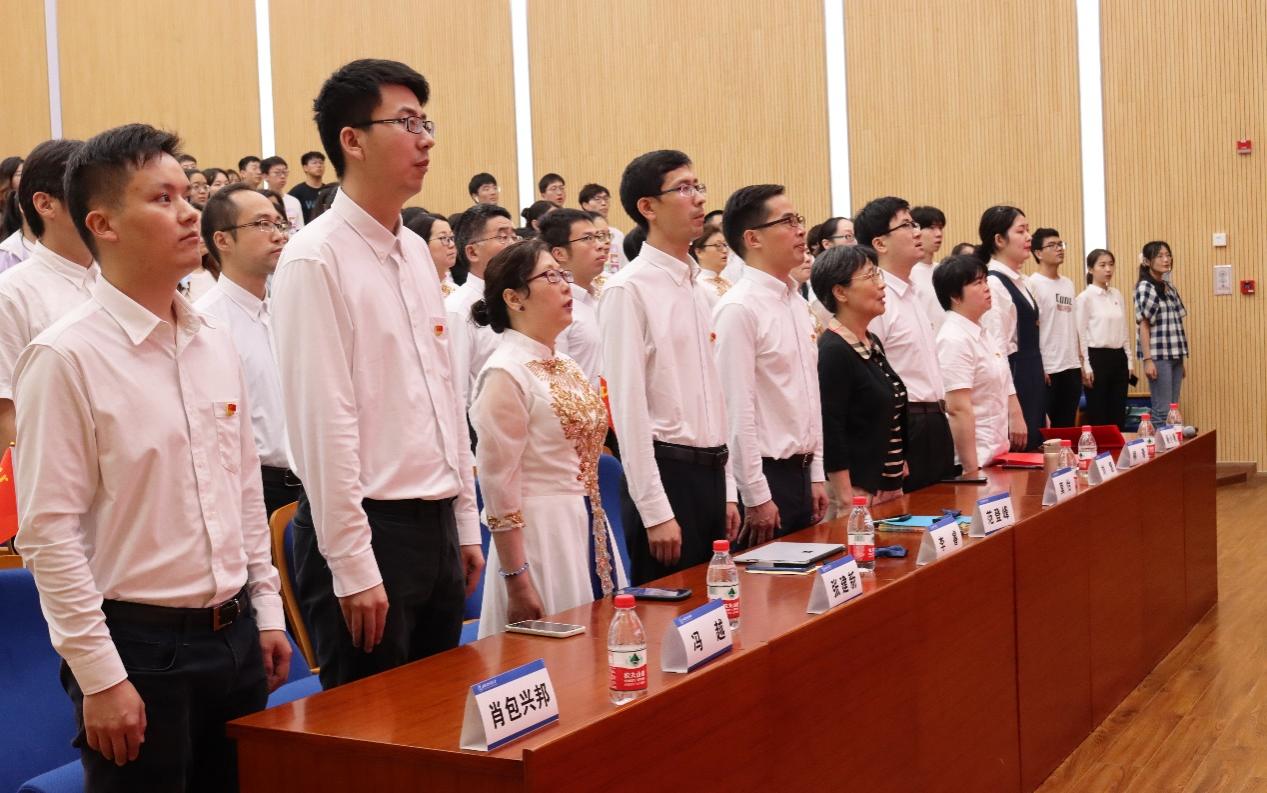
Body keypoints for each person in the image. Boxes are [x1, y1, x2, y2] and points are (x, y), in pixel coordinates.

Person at [14, 122, 288, 792]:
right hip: (138, 645)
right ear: (103, 224)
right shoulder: (65, 356)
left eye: (187, 195)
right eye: (162, 199)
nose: (190, 212)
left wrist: (265, 608)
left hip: (234, 633)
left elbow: (242, 488)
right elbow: (47, 534)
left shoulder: (211, 338)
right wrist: (100, 677)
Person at [270, 59, 484, 689]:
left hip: (435, 525)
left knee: (442, 718)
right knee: (376, 732)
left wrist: (463, 523)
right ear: (352, 140)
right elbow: (323, 422)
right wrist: (352, 564)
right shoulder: (315, 258)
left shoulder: (414, 251)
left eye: (426, 123)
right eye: (407, 123)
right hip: (368, 531)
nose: (426, 140)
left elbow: (443, 396)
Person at [470, 240, 626, 636]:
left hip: (588, 520)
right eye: (550, 276)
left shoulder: (565, 363)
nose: (565, 286)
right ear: (514, 298)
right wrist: (517, 579)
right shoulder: (505, 373)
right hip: (542, 535)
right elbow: (498, 486)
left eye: (563, 275)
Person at [600, 149, 739, 585]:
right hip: (666, 475)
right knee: (669, 614)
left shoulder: (701, 289)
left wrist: (728, 489)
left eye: (698, 186)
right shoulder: (628, 290)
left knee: (718, 608)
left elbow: (716, 397)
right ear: (648, 207)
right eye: (683, 189)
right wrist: (654, 510)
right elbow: (627, 408)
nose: (698, 199)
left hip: (711, 473)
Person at [715, 185, 827, 542]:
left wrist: (817, 473)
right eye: (788, 221)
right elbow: (736, 409)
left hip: (802, 471)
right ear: (753, 238)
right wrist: (755, 493)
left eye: (799, 219)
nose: (800, 230)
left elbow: (810, 395)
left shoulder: (797, 303)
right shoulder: (739, 308)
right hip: (766, 475)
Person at [195, 183, 299, 519]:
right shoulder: (204, 323)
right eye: (262, 224)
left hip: (307, 480)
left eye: (279, 223)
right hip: (252, 487)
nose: (279, 235)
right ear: (223, 240)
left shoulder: (287, 309)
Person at [853, 196, 957, 491]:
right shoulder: (877, 298)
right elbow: (873, 382)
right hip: (906, 425)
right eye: (907, 225)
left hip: (936, 420)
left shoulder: (913, 292)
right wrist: (891, 448)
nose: (917, 231)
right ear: (880, 243)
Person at [0, 139, 98, 450]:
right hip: (56, 460)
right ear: (45, 204)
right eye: (90, 193)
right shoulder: (11, 293)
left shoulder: (119, 278)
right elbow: (6, 410)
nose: (105, 206)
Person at [813, 244, 908, 504]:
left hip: (888, 484)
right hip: (858, 493)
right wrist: (846, 497)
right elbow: (831, 428)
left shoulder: (871, 341)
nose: (881, 284)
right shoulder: (833, 350)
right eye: (870, 276)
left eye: (878, 274)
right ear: (840, 292)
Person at [934, 255, 1017, 473]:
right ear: (955, 296)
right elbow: (957, 408)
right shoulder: (953, 338)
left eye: (985, 280)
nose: (986, 288)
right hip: (973, 461)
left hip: (996, 453)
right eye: (977, 283)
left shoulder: (982, 332)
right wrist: (971, 470)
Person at [976, 205, 1039, 450]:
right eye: (1021, 231)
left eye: (1028, 230)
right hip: (1015, 379)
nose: (1029, 237)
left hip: (1032, 378)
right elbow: (998, 352)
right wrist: (1014, 409)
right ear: (999, 240)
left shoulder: (1022, 281)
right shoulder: (994, 283)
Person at [448, 203, 517, 407]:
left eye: (514, 236)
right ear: (473, 252)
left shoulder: (520, 300)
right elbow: (457, 393)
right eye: (502, 237)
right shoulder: (457, 310)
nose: (513, 244)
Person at [539, 208, 607, 389]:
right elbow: (556, 381)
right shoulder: (553, 309)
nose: (600, 245)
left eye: (598, 237)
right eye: (588, 239)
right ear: (559, 254)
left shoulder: (600, 298)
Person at [1028, 228, 1082, 427]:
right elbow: (1031, 328)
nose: (1059, 249)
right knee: (1048, 430)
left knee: (1067, 427)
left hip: (1071, 365)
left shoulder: (1068, 284)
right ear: (1038, 253)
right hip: (1049, 367)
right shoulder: (1032, 284)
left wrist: (1081, 359)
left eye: (1060, 244)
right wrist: (1039, 366)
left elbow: (1072, 324)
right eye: (1052, 245)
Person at [1076, 248, 1134, 428]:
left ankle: (1119, 447)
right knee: (1099, 413)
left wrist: (1129, 360)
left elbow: (1123, 329)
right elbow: (1080, 334)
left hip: (1119, 357)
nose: (1108, 269)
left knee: (1118, 413)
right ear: (1091, 269)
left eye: (1111, 264)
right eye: (1102, 265)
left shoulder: (1116, 294)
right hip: (1096, 358)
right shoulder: (1085, 298)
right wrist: (1085, 365)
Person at [1134, 240, 1188, 424]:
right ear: (1147, 261)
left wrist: (1179, 358)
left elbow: (1175, 322)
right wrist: (1148, 360)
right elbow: (1144, 325)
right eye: (1160, 256)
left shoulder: (1169, 287)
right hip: (1158, 356)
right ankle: (1158, 443)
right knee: (1162, 411)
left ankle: (1170, 442)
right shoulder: (1145, 287)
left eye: (1168, 255)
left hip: (1174, 355)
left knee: (1173, 409)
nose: (1166, 259)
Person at [909, 205, 947, 332]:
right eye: (931, 228)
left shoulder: (942, 270)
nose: (939, 234)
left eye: (940, 228)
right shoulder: (909, 273)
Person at [402, 208, 457, 294]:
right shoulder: (410, 291)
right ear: (421, 243)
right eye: (443, 238)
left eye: (451, 237)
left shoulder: (456, 291)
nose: (452, 244)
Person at [579, 182, 626, 271]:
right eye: (597, 199)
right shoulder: (580, 236)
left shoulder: (617, 234)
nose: (604, 203)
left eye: (606, 199)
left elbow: (625, 264)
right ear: (585, 205)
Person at [691, 223, 731, 309]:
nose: (724, 250)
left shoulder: (728, 281)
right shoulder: (697, 285)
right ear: (699, 252)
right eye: (718, 246)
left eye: (725, 245)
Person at [260, 156, 304, 232]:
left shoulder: (294, 201)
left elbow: (299, 229)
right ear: (265, 176)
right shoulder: (261, 201)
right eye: (277, 173)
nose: (283, 176)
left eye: (285, 172)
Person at [288, 151, 327, 224]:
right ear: (305, 168)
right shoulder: (296, 192)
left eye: (321, 163)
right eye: (314, 163)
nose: (319, 165)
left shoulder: (329, 191)